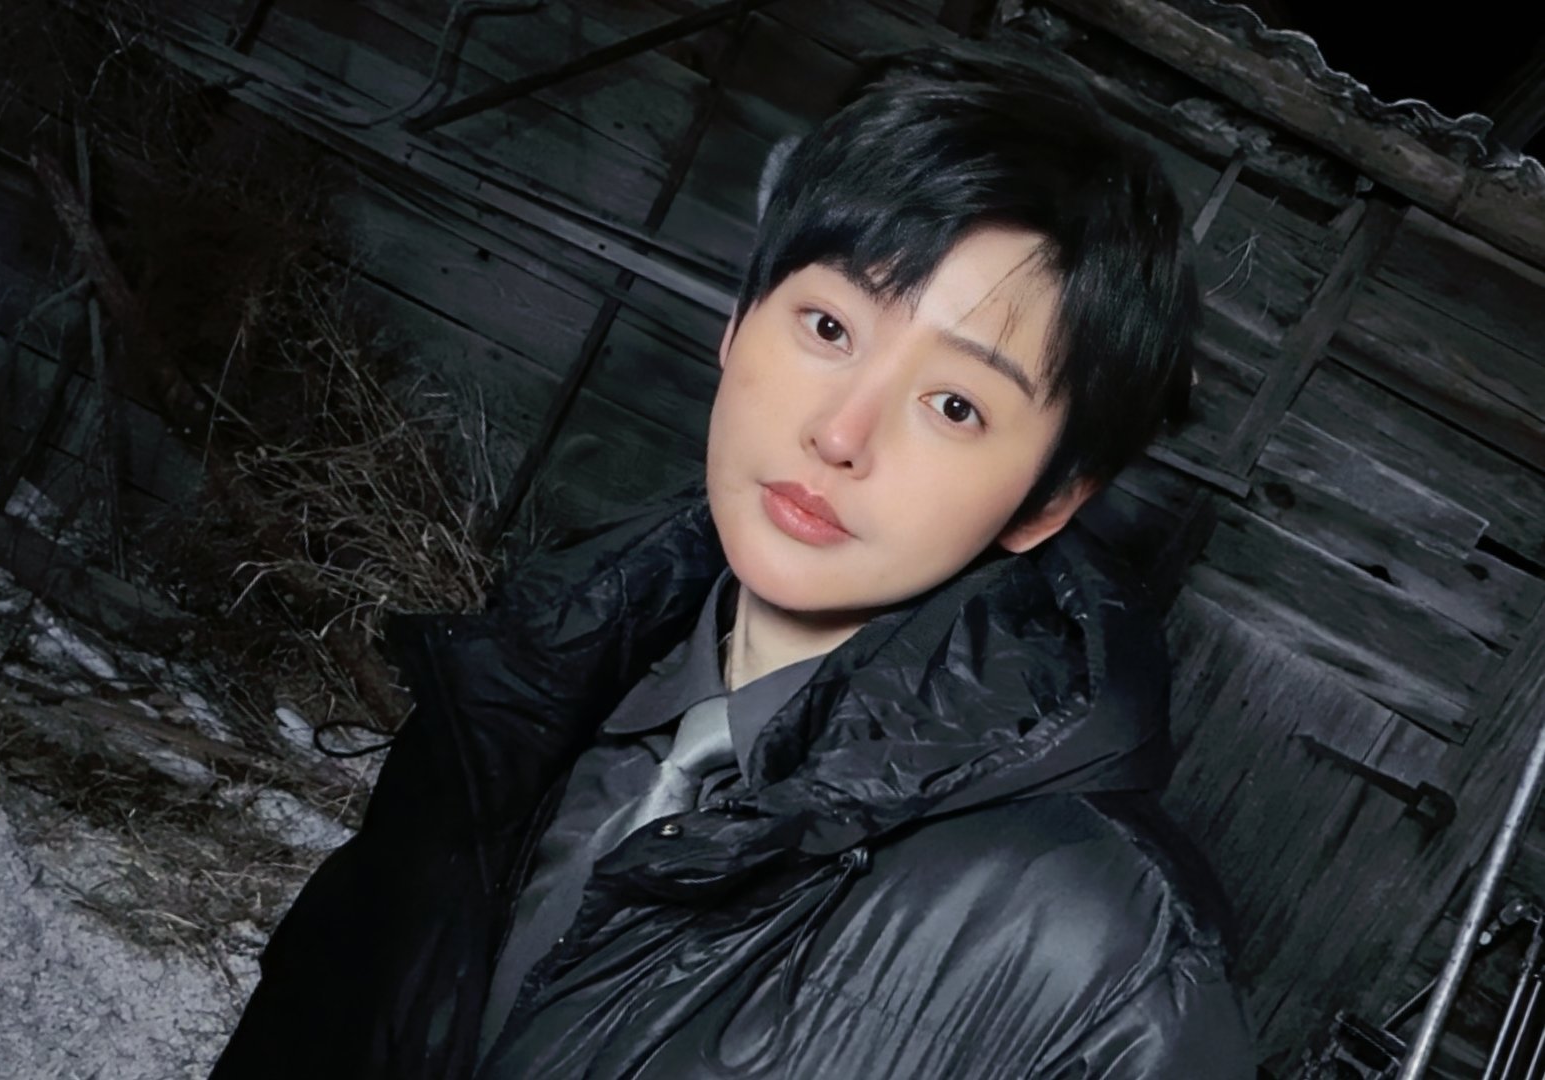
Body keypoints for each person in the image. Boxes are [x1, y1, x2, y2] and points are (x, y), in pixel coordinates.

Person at [213, 43, 1256, 1080]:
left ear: (1047, 501)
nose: (840, 433)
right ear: (738, 322)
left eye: (954, 405)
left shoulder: (1103, 960)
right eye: (829, 325)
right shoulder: (516, 683)